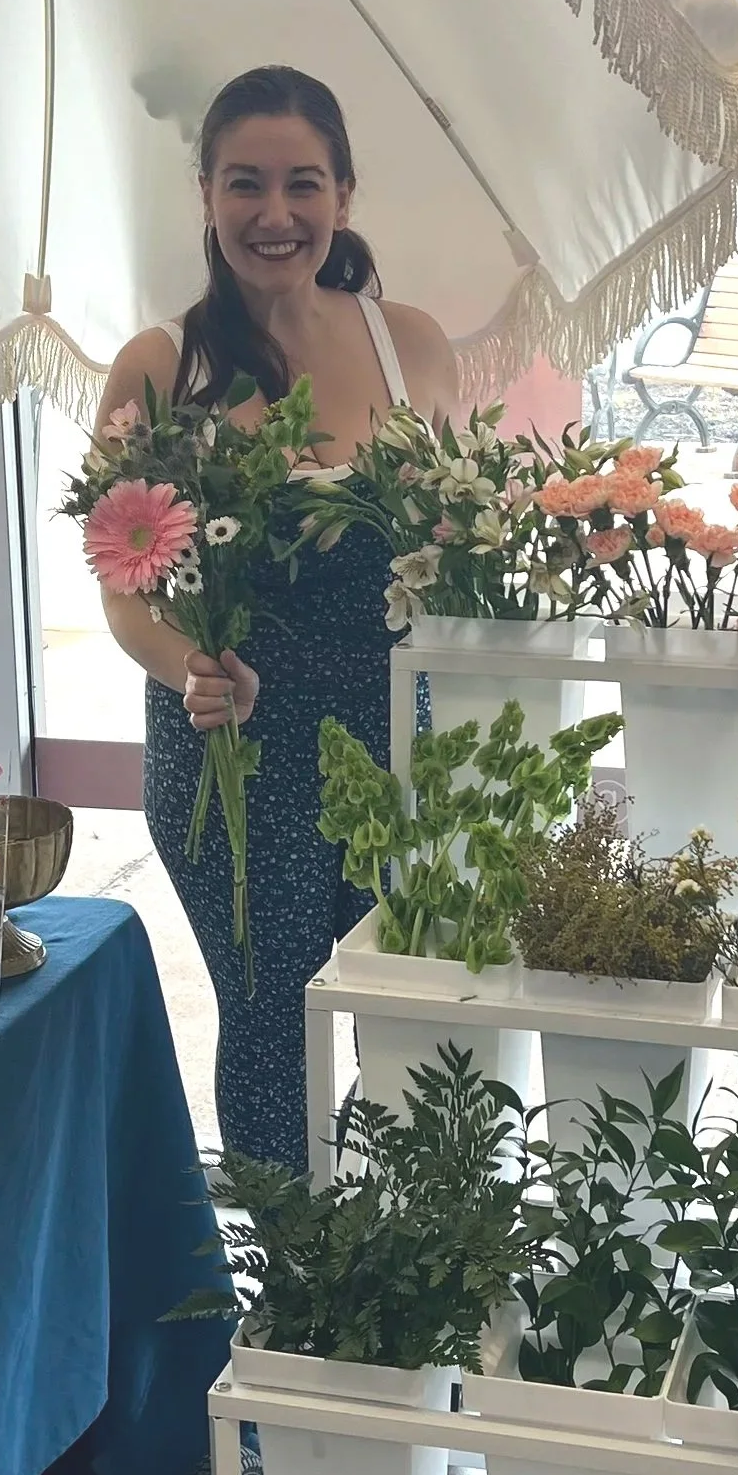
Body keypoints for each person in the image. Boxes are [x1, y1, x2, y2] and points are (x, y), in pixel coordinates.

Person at [92, 65, 457, 1168]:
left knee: (414, 1015)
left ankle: (412, 1273)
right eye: (244, 184)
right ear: (204, 194)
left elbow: (455, 542)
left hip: (403, 738)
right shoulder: (162, 366)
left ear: (344, 194)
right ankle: (297, 1290)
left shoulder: (415, 345)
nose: (275, 214)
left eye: (304, 184)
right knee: (272, 1025)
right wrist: (185, 663)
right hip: (235, 753)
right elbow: (121, 581)